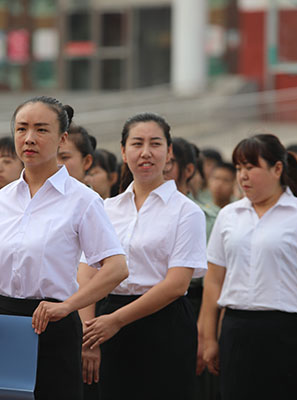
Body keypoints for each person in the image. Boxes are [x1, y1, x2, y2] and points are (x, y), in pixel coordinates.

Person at [0, 96, 127, 400]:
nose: (29, 138)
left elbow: (116, 267)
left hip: (55, 324)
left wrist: (68, 305)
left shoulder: (82, 200)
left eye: (41, 129)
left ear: (62, 138)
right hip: (1, 323)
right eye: (22, 129)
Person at [80, 113, 207, 400]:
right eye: (137, 144)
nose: (146, 152)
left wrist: (116, 320)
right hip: (107, 323)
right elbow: (87, 271)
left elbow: (176, 284)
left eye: (155, 143)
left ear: (169, 152)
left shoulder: (187, 212)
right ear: (124, 152)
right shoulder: (106, 209)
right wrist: (89, 334)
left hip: (165, 323)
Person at [199, 134, 297, 400]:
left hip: (284, 332)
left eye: (250, 167)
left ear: (277, 169)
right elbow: (213, 280)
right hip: (236, 328)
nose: (242, 176)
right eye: (238, 168)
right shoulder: (229, 216)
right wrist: (210, 338)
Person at [163, 136, 220, 400]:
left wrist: (205, 331)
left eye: (170, 161)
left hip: (191, 303)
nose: (160, 163)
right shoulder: (123, 211)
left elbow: (212, 280)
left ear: (188, 170)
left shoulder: (205, 217)